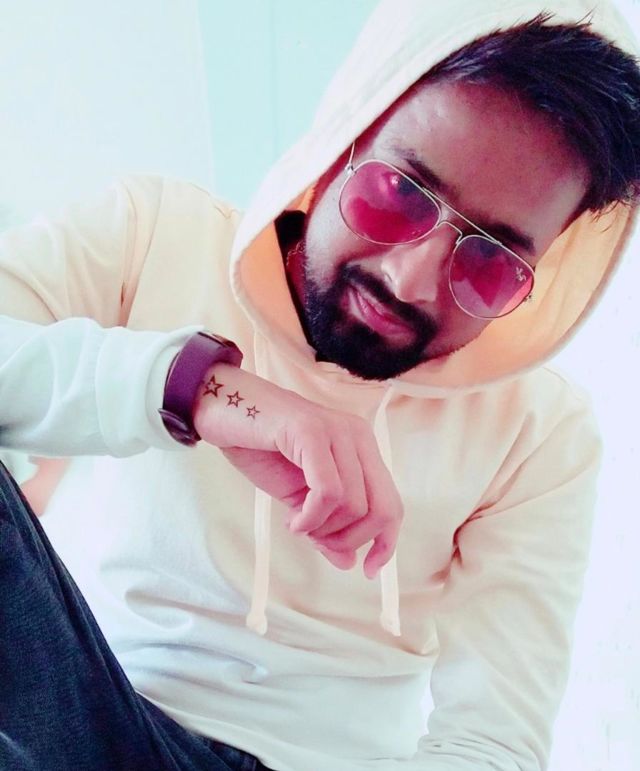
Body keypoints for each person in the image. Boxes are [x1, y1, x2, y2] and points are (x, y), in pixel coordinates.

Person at [1, 0, 639, 769]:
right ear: (342, 139)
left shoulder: (539, 430)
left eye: (490, 262)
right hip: (89, 720)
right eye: (401, 192)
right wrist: (196, 387)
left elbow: (491, 741)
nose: (408, 280)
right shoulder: (152, 235)